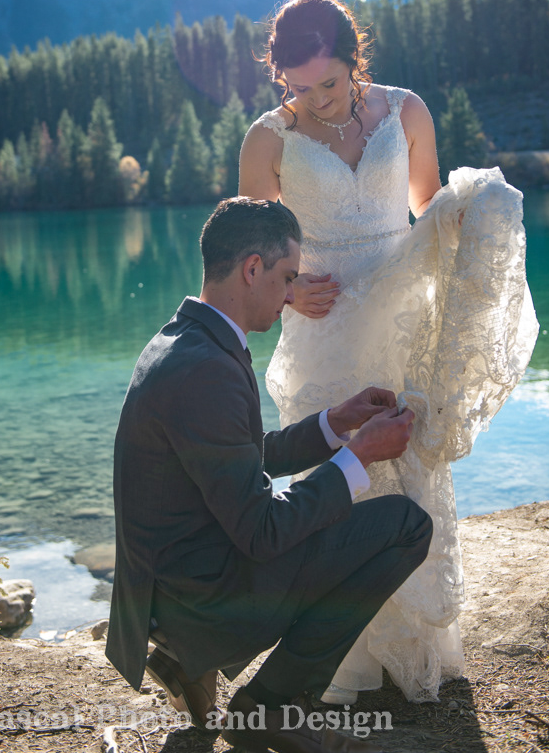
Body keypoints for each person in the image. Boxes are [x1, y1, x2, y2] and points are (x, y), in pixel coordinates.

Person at [239, 0, 539, 703]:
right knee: (342, 478)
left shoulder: (405, 111)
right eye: (297, 88)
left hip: (403, 318)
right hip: (324, 327)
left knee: (411, 468)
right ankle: (337, 663)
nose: (314, 101)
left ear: (354, 59)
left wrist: (476, 213)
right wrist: (288, 289)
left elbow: (428, 211)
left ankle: (418, 653)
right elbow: (253, 251)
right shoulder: (267, 140)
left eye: (329, 84)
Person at [106, 197, 433, 753]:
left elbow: (237, 457)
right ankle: (271, 706)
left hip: (166, 592)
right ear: (251, 268)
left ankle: (186, 662)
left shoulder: (181, 340)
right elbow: (262, 532)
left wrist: (337, 423)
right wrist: (361, 458)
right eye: (286, 277)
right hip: (203, 602)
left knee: (346, 519)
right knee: (405, 525)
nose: (290, 294)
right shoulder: (209, 368)